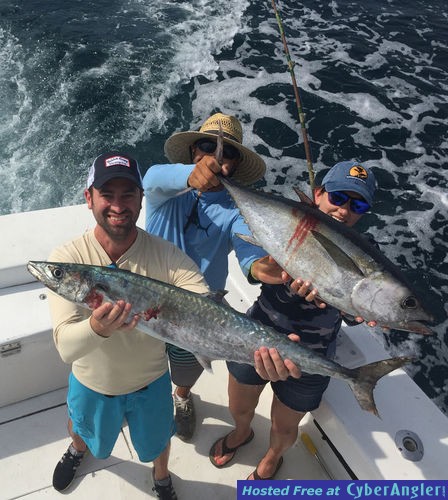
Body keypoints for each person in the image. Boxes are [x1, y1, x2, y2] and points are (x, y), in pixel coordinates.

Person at [48, 152, 210, 499]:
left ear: (141, 199)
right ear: (88, 198)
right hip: (92, 383)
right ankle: (77, 450)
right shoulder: (69, 258)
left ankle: (161, 476)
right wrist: (98, 328)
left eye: (128, 194)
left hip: (149, 383)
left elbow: (202, 297)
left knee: (158, 440)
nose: (118, 205)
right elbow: (65, 348)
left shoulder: (167, 256)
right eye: (108, 194)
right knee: (80, 429)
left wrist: (259, 345)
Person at [209, 160, 377, 480]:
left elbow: (360, 308)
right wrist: (265, 268)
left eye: (357, 204)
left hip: (312, 354)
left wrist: (358, 312)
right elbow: (255, 260)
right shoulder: (284, 225)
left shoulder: (365, 254)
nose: (344, 210)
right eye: (338, 197)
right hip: (255, 333)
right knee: (239, 406)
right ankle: (241, 432)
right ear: (318, 194)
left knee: (284, 427)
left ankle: (272, 459)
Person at [143, 113, 292, 441]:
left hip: (198, 311)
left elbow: (248, 248)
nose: (215, 156)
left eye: (227, 152)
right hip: (144, 298)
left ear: (236, 165)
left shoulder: (238, 209)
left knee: (186, 368)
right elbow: (152, 178)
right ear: (193, 151)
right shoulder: (166, 190)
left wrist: (260, 269)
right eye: (207, 146)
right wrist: (189, 176)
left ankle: (181, 396)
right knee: (140, 363)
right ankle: (137, 395)